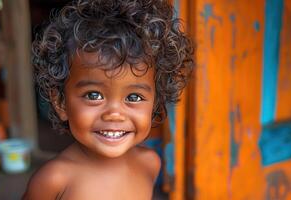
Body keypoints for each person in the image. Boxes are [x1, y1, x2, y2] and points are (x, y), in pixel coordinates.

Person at [23, 0, 193, 199]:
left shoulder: (150, 164)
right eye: (94, 95)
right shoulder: (53, 180)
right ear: (60, 102)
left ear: (155, 103)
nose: (114, 114)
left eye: (134, 97)